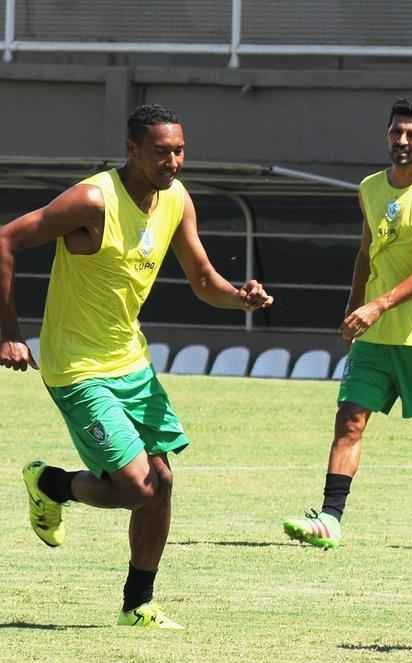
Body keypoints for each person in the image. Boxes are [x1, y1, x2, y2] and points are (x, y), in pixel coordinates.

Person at [0, 104, 273, 629]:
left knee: (162, 481)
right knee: (136, 487)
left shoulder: (176, 200)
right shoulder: (92, 199)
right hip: (77, 367)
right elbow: (7, 239)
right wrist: (9, 333)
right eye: (161, 151)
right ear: (131, 150)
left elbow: (202, 279)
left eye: (179, 150)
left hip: (131, 362)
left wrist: (241, 297)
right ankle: (52, 484)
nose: (172, 161)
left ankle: (138, 604)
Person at [282, 98, 412, 551]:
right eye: (396, 132)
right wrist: (354, 311)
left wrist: (379, 305)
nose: (402, 141)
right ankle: (330, 518)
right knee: (349, 421)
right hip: (374, 335)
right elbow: (366, 253)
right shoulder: (369, 188)